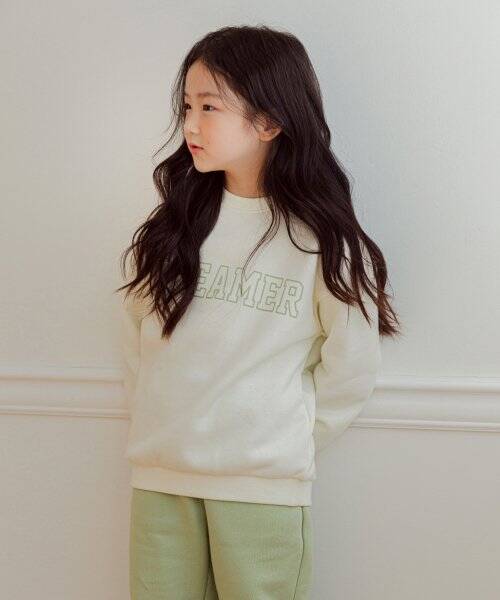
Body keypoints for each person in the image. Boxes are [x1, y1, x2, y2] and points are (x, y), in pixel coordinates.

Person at [116, 24, 401, 600]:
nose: (190, 125)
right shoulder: (174, 228)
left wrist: (285, 436)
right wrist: (156, 415)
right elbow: (135, 334)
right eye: (187, 106)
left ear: (270, 121)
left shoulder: (323, 240)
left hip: (262, 487)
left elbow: (352, 364)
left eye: (209, 107)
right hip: (161, 475)